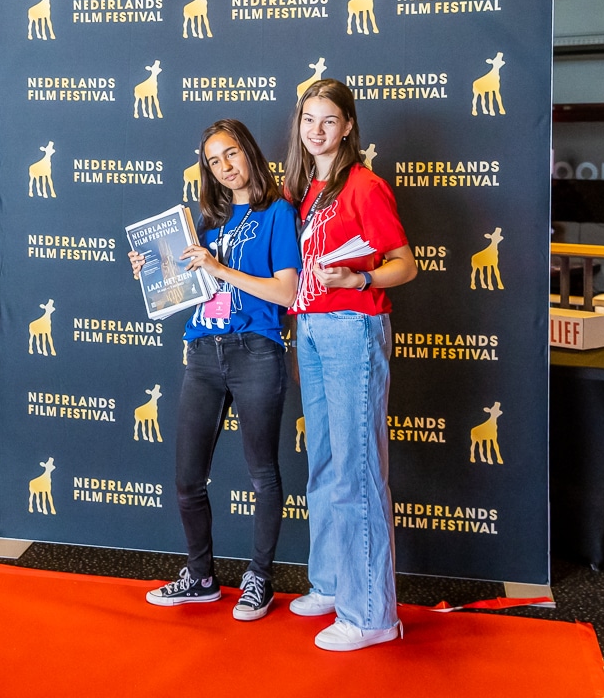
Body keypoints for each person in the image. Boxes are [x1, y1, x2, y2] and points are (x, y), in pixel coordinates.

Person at [131, 119, 300, 621]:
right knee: (187, 477)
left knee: (262, 474)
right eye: (212, 161)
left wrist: (220, 268)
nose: (224, 168)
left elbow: (287, 293)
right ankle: (201, 577)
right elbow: (184, 291)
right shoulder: (206, 221)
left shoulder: (277, 213)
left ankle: (259, 579)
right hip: (204, 350)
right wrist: (154, 273)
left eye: (230, 155)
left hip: (257, 350)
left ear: (249, 152)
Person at [282, 79, 417, 651]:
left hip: (352, 328)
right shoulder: (301, 189)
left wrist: (360, 276)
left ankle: (372, 615)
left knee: (358, 473)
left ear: (348, 127)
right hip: (310, 328)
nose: (317, 130)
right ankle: (334, 585)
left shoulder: (364, 186)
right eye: (309, 119)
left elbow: (405, 265)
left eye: (329, 120)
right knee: (325, 464)